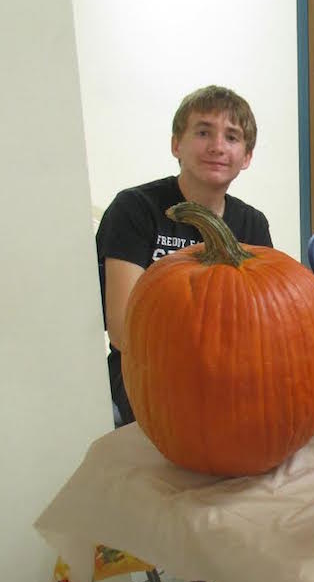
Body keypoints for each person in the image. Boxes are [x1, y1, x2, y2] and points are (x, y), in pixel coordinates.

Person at [96, 85, 272, 427]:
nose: (217, 146)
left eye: (232, 137)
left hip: (229, 370)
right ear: (176, 144)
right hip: (146, 370)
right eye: (203, 132)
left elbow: (266, 317)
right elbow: (122, 328)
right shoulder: (134, 209)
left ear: (246, 157)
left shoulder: (252, 223)